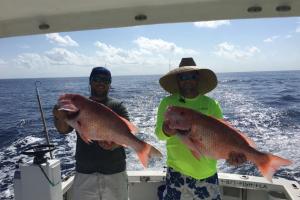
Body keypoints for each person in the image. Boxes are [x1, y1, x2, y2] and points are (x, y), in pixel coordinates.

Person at [155, 57, 246, 200]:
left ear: (198, 78)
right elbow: (159, 135)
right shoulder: (168, 103)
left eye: (192, 76)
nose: (187, 80)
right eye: (183, 76)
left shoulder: (211, 104)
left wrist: (232, 156)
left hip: (207, 174)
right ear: (178, 80)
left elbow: (225, 136)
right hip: (177, 172)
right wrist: (167, 130)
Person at [53, 67, 129, 200]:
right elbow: (63, 130)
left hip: (114, 172)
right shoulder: (77, 105)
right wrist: (60, 116)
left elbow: (127, 135)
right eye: (97, 79)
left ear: (110, 84)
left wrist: (114, 145)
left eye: (105, 80)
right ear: (90, 81)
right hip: (85, 173)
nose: (101, 82)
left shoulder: (118, 106)